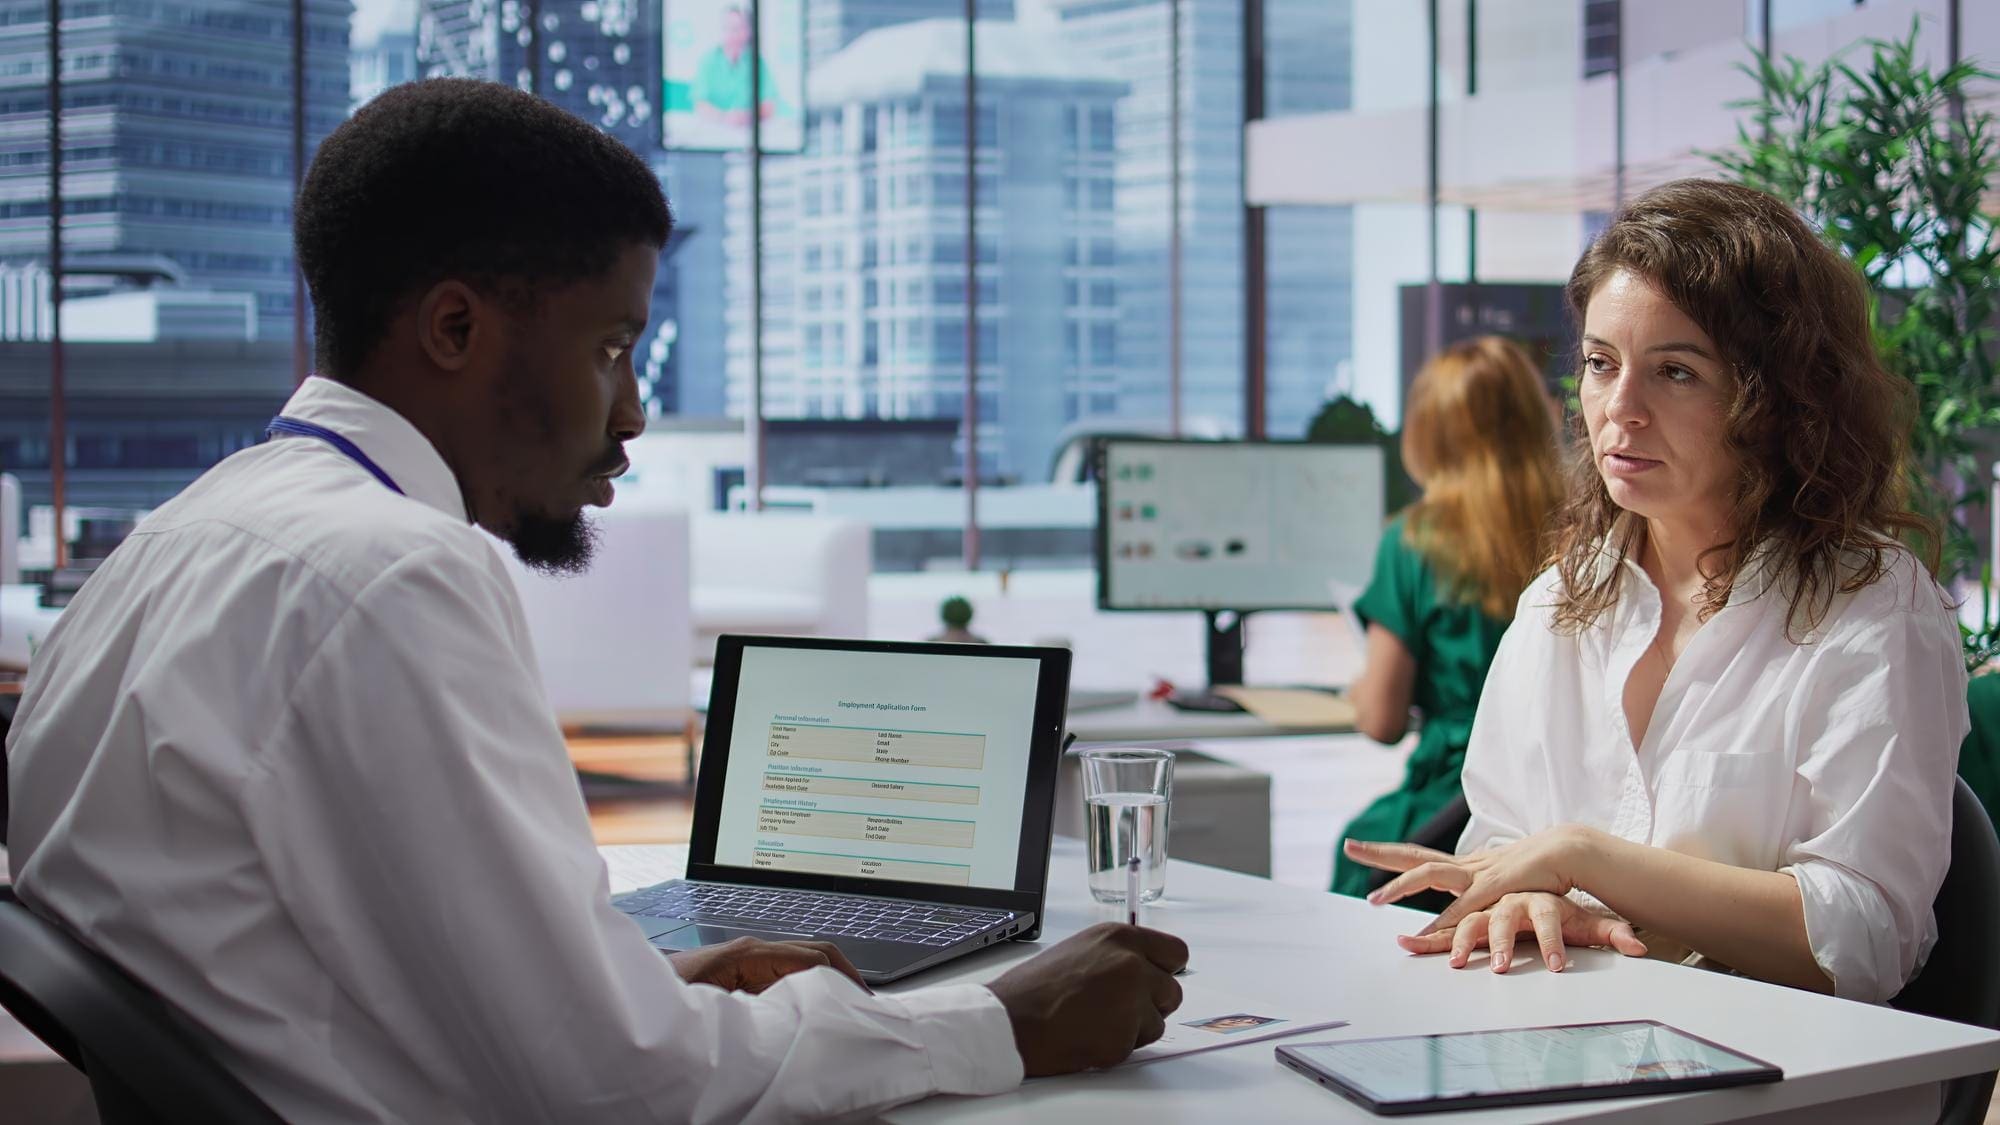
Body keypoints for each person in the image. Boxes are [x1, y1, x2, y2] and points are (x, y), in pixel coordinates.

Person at [4, 79, 1187, 1124]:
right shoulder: (392, 575)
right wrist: (997, 1022)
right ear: (455, 328)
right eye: (609, 348)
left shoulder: (171, 544)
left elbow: (300, 965)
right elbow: (618, 1093)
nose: (632, 414)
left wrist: (627, 987)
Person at [1346, 178, 1968, 1005]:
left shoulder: (1873, 608)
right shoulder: (1558, 604)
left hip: (1780, 1059)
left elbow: (1864, 936)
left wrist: (1586, 858)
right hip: (1564, 1031)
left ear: (1777, 399)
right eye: (1601, 364)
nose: (1621, 409)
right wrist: (1525, 900)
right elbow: (1499, 852)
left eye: (1675, 371)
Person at [1331, 336, 1563, 899]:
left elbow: (1382, 721)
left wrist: (1360, 692)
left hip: (1454, 803)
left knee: (1357, 851)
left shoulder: (1413, 542)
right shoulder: (1581, 532)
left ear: (1427, 434)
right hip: (1555, 808)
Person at [691, 5, 778, 129]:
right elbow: (700, 104)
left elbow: (769, 105)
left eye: (738, 28)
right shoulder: (708, 61)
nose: (733, 34)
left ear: (748, 31)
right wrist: (724, 118)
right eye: (728, 28)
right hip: (716, 129)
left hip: (749, 129)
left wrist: (746, 117)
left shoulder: (757, 61)